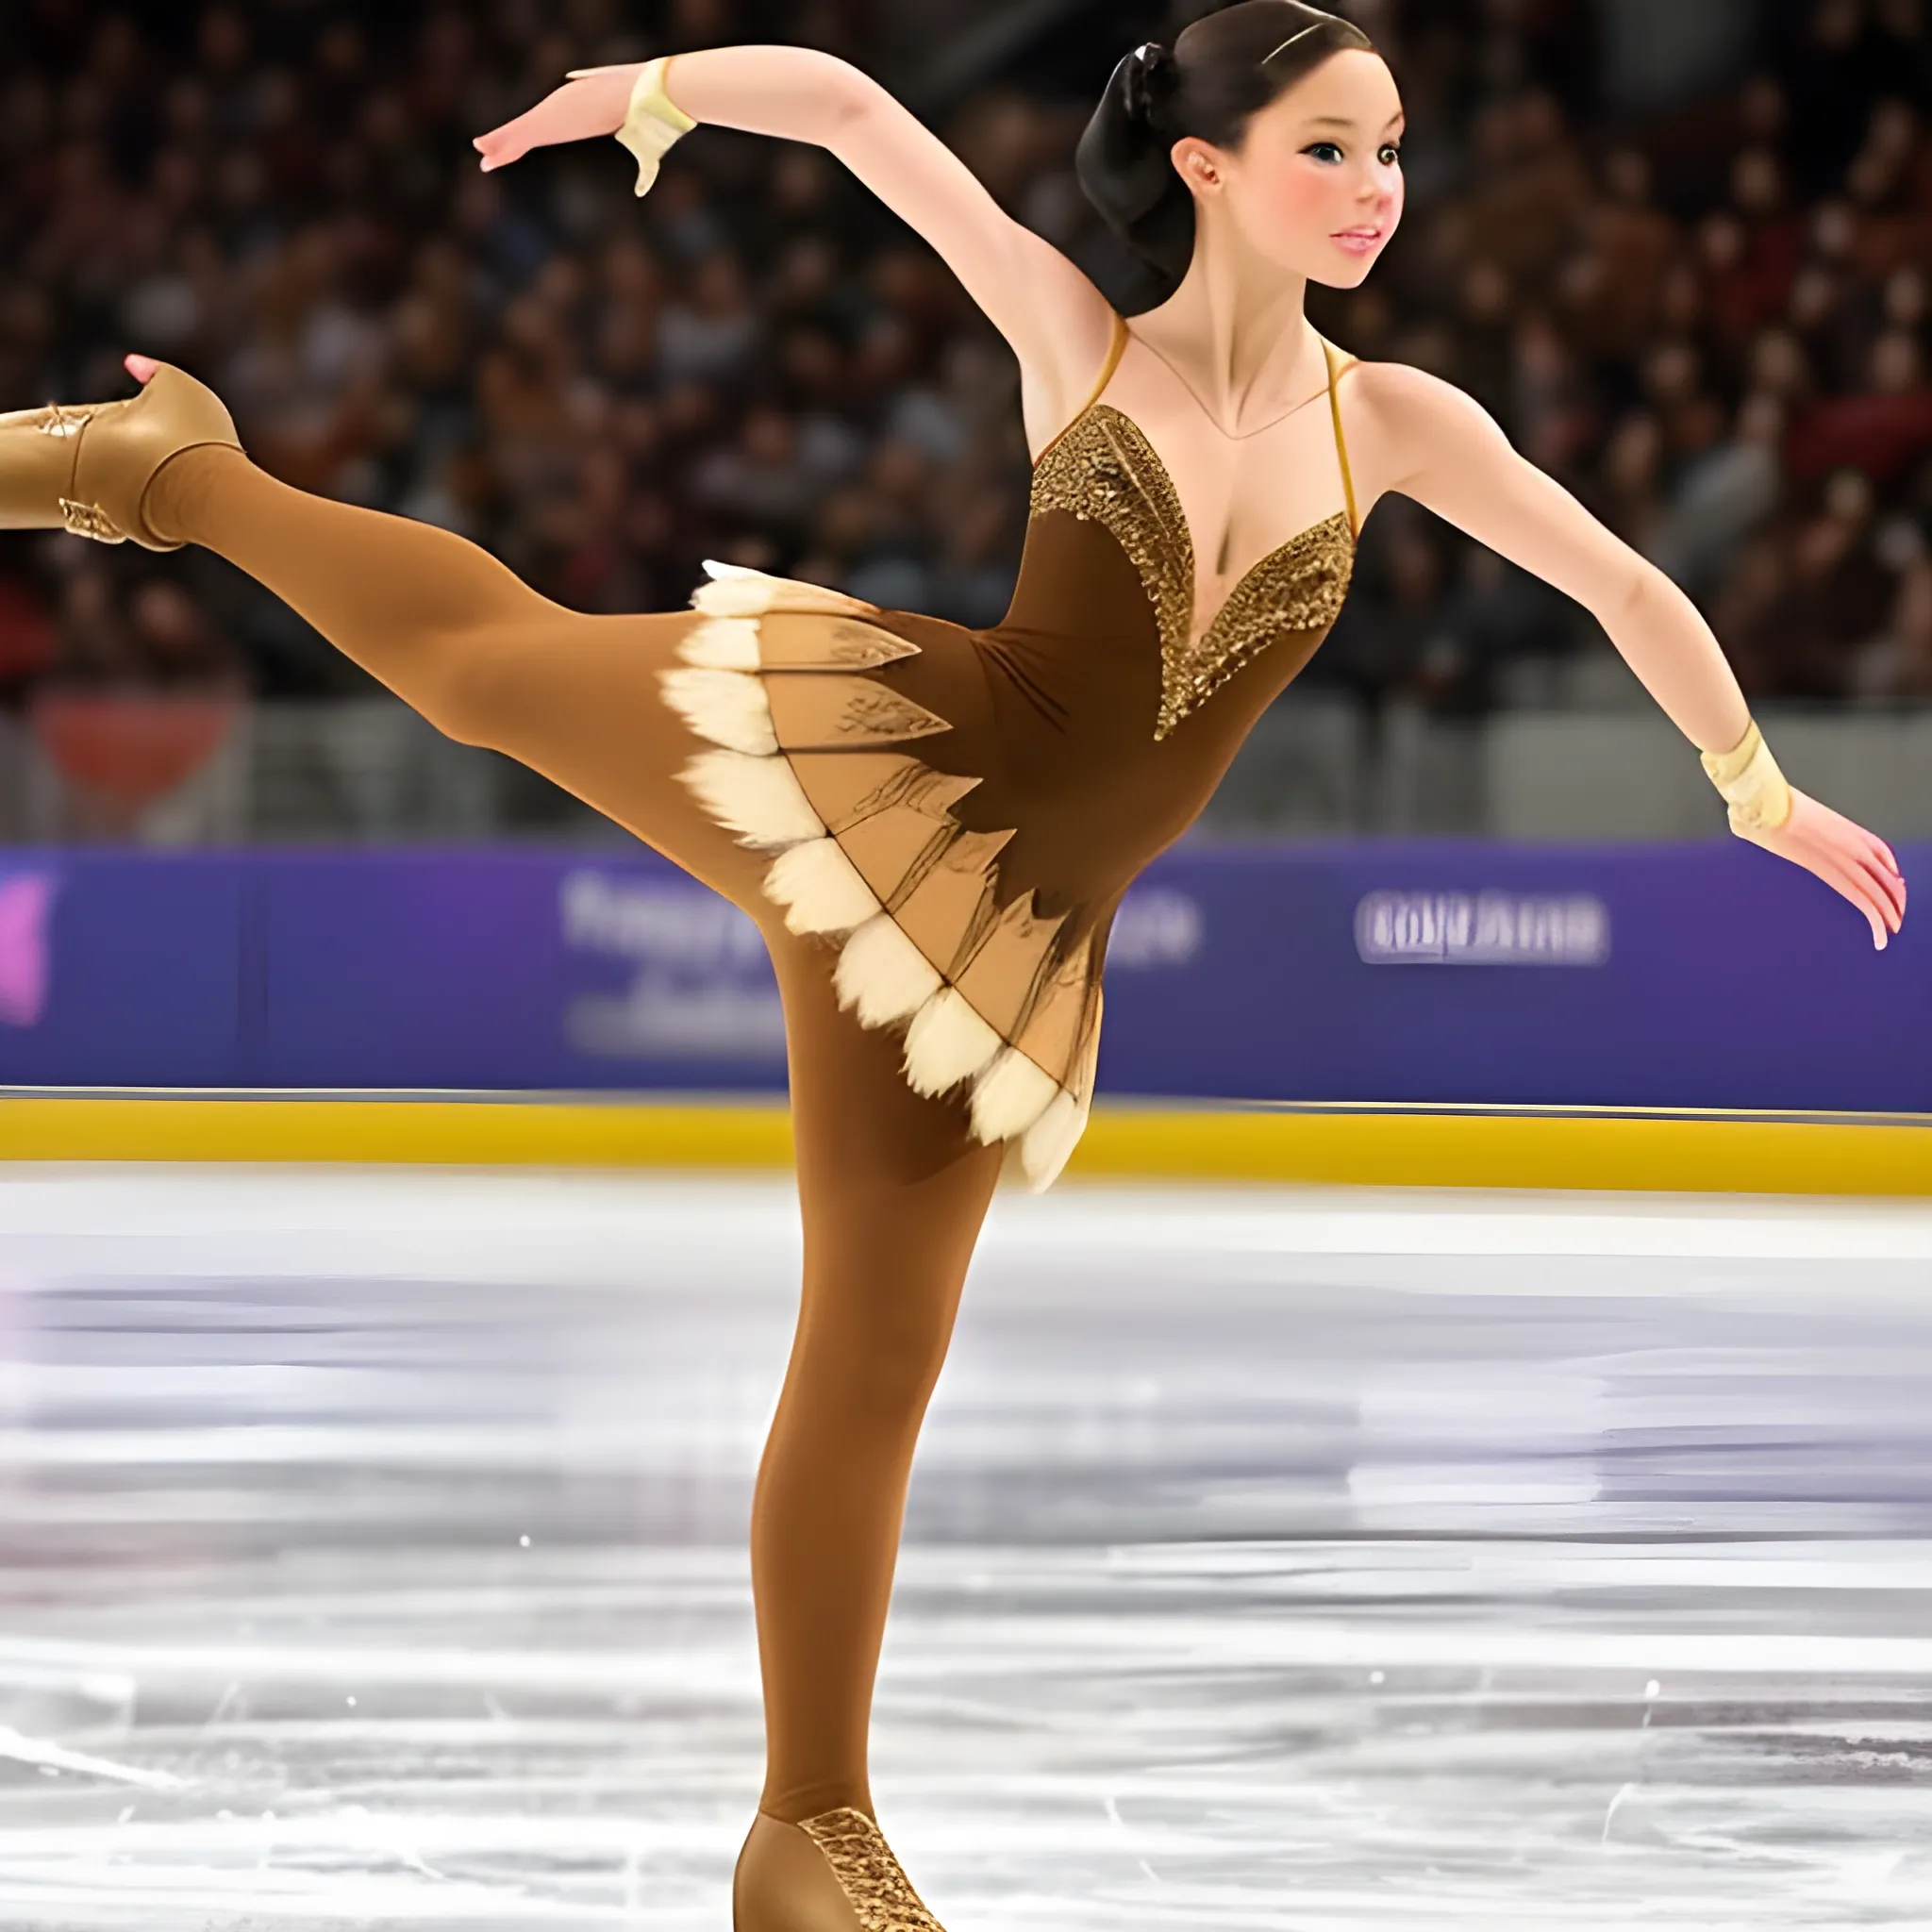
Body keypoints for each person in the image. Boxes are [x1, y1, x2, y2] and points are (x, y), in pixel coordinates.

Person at [0, 5, 1907, 1923]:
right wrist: (647, 96)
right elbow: (844, 111)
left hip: (993, 938)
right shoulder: (1075, 341)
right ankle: (165, 474)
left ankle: (805, 1832)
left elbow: (1623, 581)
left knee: (872, 1358)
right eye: (1326, 149)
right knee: (490, 671)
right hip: (889, 759)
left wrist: (1749, 787)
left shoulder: (1395, 420)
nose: (1372, 191)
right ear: (1207, 166)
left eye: (1391, 149)